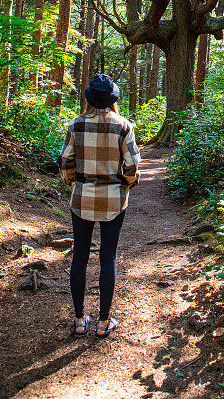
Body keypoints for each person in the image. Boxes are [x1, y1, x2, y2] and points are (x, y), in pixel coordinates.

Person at [58, 73, 140, 339]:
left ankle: (80, 320)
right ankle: (104, 322)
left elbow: (65, 161)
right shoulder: (123, 126)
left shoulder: (76, 124)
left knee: (79, 256)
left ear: (89, 98)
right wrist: (126, 184)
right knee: (108, 257)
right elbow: (132, 166)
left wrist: (74, 183)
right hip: (114, 199)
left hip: (82, 197)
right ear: (113, 98)